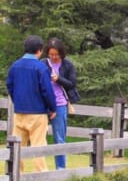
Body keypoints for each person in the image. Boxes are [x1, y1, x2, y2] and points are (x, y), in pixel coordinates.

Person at [7, 36, 56, 172]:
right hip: (38, 113)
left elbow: (10, 86)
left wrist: (17, 101)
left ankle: (16, 174)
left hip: (19, 112)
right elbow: (46, 90)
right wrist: (52, 108)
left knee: (17, 146)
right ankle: (41, 176)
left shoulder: (15, 65)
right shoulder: (40, 68)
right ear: (39, 51)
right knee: (38, 145)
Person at [43, 38, 76, 172]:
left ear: (61, 53)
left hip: (60, 104)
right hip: (43, 105)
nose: (54, 57)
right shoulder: (42, 64)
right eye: (51, 54)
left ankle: (60, 169)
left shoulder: (68, 65)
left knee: (59, 138)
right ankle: (41, 169)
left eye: (56, 54)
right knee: (39, 138)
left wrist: (58, 79)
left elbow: (72, 84)